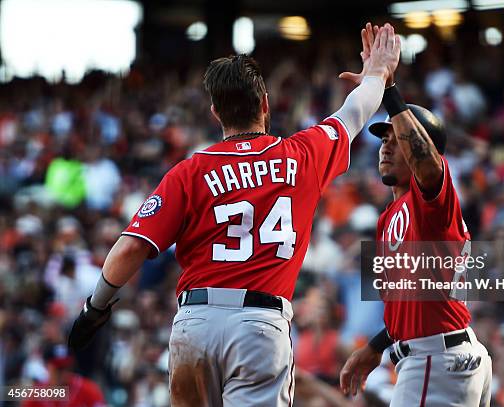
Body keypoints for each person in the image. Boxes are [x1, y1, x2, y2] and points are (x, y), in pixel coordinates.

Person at [67, 24, 400, 406]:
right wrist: (377, 73)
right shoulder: (302, 154)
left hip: (196, 323)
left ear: (215, 112)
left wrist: (95, 308)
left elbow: (128, 251)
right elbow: (355, 111)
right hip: (260, 326)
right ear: (264, 104)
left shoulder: (189, 172)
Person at [339, 23, 492, 407]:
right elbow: (408, 303)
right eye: (383, 138)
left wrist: (389, 91)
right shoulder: (390, 214)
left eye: (397, 138)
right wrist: (375, 347)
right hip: (442, 352)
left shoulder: (431, 198)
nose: (386, 146)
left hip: (434, 359)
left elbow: (427, 165)